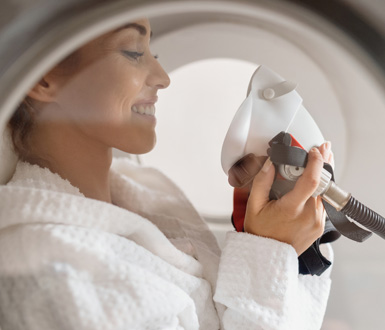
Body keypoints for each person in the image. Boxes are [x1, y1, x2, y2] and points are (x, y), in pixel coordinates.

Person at [0, 18, 334, 330]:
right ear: (44, 77)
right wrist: (269, 251)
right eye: (133, 53)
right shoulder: (51, 273)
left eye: (154, 54)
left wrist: (262, 233)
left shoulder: (146, 201)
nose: (163, 76)